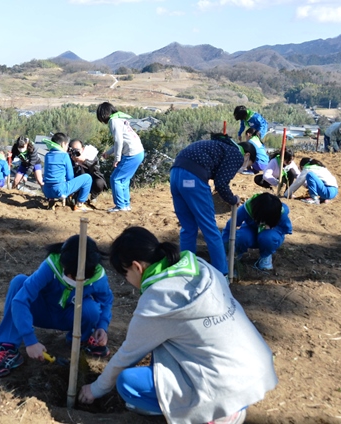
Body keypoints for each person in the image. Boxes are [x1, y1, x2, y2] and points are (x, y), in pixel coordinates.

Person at [78, 226, 278, 423]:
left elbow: (126, 356)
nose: (128, 280)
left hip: (224, 389)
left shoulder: (157, 300)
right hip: (254, 370)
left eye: (125, 274)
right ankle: (226, 408)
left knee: (128, 383)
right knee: (166, 347)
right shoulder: (201, 266)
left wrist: (95, 389)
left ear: (137, 267)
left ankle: (215, 415)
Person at [0, 234, 113, 378]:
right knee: (19, 283)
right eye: (71, 275)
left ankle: (82, 340)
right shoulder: (50, 266)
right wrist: (30, 341)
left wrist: (102, 326)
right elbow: (20, 301)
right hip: (42, 312)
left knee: (92, 309)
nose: (74, 280)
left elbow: (106, 301)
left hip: (70, 317)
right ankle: (8, 348)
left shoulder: (98, 276)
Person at [170, 133, 255, 276]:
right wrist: (233, 199)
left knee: (188, 227)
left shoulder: (222, 147)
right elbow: (221, 183)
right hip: (193, 178)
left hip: (175, 174)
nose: (244, 167)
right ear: (247, 155)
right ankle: (222, 272)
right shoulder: (236, 154)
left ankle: (186, 269)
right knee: (210, 229)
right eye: (248, 164)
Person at [222, 193, 292, 271]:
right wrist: (224, 247)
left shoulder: (280, 213)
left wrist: (270, 228)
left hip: (270, 233)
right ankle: (235, 254)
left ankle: (265, 255)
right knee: (242, 236)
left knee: (268, 238)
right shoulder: (247, 208)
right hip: (250, 230)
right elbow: (231, 225)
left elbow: (285, 229)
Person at [96, 102, 145, 213]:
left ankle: (120, 206)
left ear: (103, 114)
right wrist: (108, 153)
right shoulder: (120, 119)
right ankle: (126, 205)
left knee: (116, 178)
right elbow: (121, 141)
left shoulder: (113, 121)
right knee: (124, 180)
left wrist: (117, 158)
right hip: (138, 152)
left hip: (131, 154)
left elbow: (119, 141)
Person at [42, 132, 92, 212]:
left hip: (46, 190)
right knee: (87, 178)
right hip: (59, 190)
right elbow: (70, 176)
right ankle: (79, 204)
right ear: (63, 144)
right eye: (67, 145)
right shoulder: (64, 155)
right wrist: (71, 191)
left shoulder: (48, 155)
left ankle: (51, 201)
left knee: (52, 181)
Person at [69, 139, 107, 204]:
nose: (76, 152)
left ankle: (93, 196)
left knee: (99, 183)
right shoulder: (69, 157)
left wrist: (84, 161)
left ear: (83, 148)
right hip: (78, 181)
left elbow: (96, 168)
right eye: (73, 150)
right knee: (73, 201)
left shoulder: (91, 154)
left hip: (93, 179)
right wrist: (74, 162)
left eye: (77, 150)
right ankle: (77, 196)